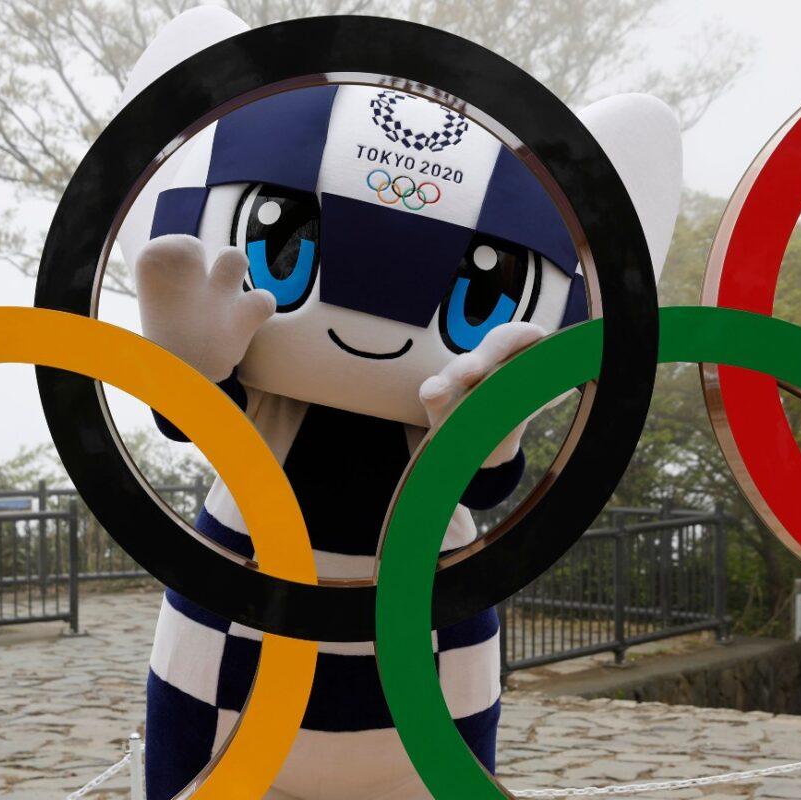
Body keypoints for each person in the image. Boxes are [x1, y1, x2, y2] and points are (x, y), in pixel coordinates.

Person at [113, 8, 682, 799]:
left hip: (422, 625)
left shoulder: (447, 396)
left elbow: (483, 483)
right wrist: (187, 363)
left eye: (482, 289)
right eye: (287, 241)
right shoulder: (270, 381)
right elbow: (190, 422)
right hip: (248, 614)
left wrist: (489, 422)